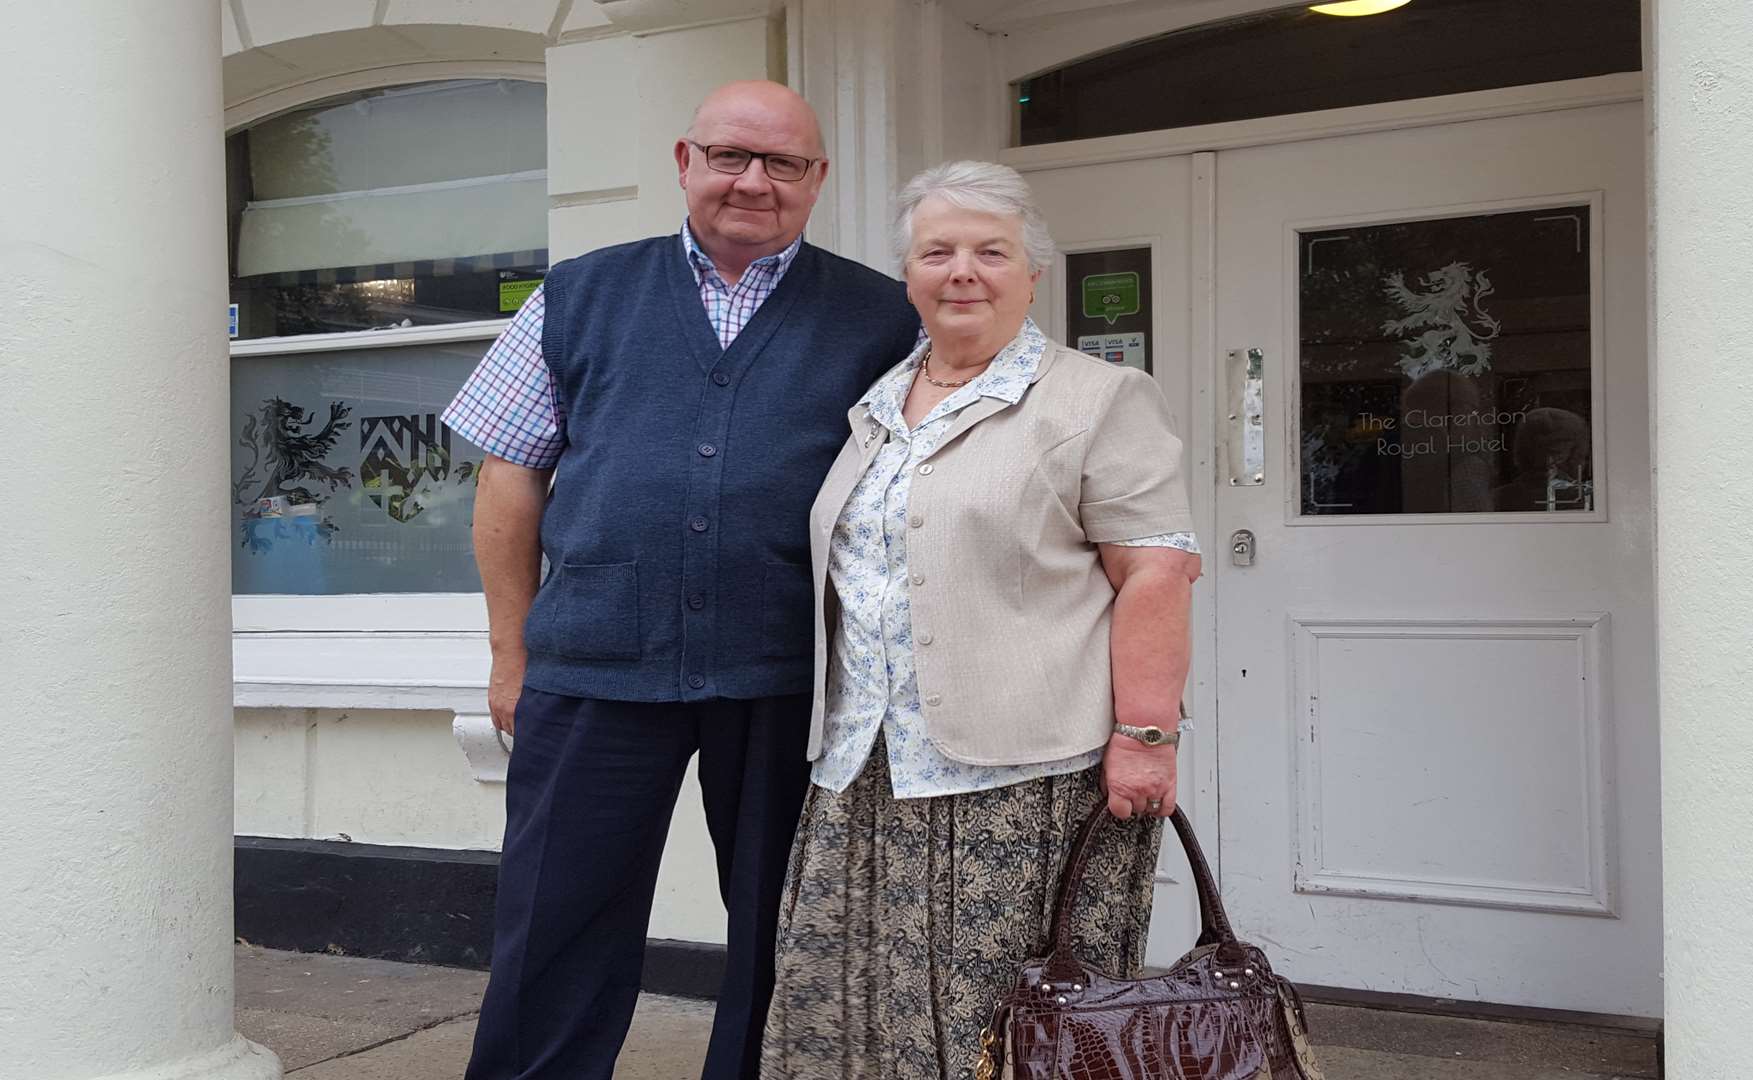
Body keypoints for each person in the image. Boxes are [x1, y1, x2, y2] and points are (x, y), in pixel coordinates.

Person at [441, 81, 922, 1080]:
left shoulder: (881, 315)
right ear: (683, 162)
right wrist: (509, 651)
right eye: (730, 156)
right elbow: (509, 476)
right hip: (592, 668)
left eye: (783, 163)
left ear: (817, 179)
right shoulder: (580, 293)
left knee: (784, 938)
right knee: (554, 924)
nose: (754, 181)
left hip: (790, 676)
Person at [759, 161, 1201, 1080]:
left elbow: (1156, 572)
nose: (963, 271)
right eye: (938, 252)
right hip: (865, 769)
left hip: (1021, 781)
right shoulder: (877, 404)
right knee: (847, 1013)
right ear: (910, 275)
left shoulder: (1097, 399)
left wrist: (1147, 736)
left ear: (1033, 271)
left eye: (990, 251)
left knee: (1011, 1029)